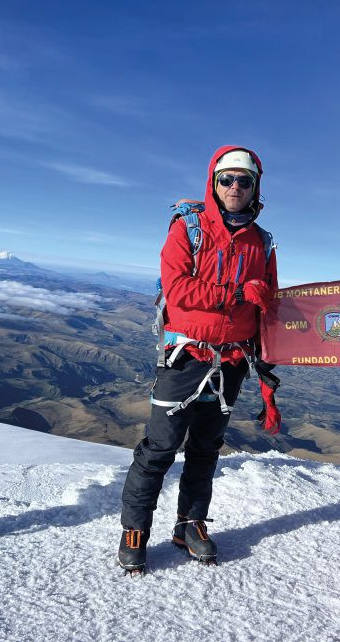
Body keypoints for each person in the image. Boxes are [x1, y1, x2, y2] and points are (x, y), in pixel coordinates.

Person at [118, 146, 280, 574]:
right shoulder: (188, 229)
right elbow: (178, 290)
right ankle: (135, 529)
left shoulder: (262, 242)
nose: (235, 187)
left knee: (206, 449)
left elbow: (269, 303)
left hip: (231, 362)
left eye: (244, 181)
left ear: (255, 187)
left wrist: (268, 362)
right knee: (160, 447)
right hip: (185, 356)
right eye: (227, 179)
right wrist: (236, 295)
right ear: (213, 182)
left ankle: (189, 525)